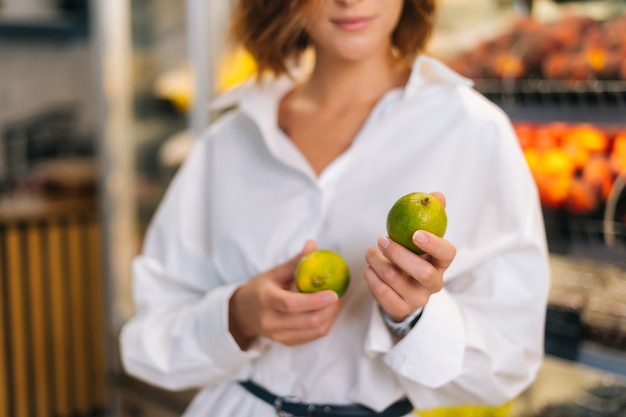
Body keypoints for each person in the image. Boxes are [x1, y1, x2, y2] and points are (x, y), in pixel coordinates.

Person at [119, 0, 551, 416]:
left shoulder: (473, 132)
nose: (350, 0)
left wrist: (412, 316)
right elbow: (146, 343)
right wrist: (239, 316)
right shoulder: (230, 140)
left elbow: (509, 361)